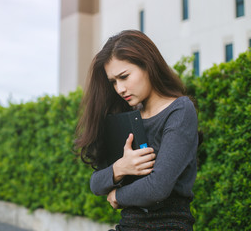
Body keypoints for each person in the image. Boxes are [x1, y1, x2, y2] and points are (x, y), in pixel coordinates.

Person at [75, 30, 200, 230]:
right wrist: (120, 168)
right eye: (113, 82)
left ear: (148, 65)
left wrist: (118, 195)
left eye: (124, 77)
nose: (119, 89)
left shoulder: (180, 110)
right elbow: (96, 183)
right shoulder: (129, 118)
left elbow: (158, 187)